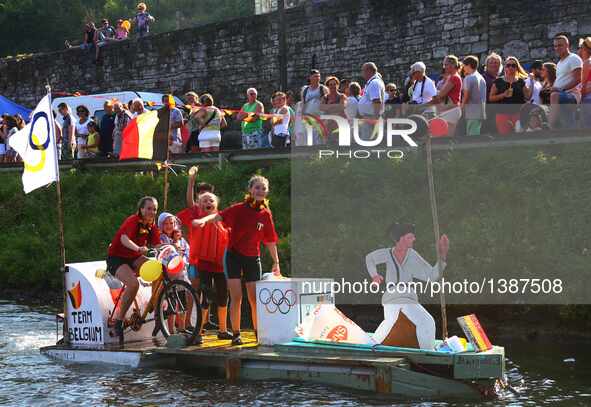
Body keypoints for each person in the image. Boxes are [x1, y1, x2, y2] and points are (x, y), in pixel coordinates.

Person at [194, 175, 280, 346]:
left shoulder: (265, 214)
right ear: (250, 189)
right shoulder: (239, 208)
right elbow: (217, 217)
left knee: (254, 299)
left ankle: (258, 333)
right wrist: (202, 220)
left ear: (267, 192)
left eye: (263, 188)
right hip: (233, 255)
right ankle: (236, 333)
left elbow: (270, 240)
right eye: (257, 187)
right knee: (237, 297)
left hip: (252, 257)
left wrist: (276, 261)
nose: (260, 191)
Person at [366, 223, 449, 350]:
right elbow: (370, 258)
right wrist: (374, 275)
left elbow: (431, 276)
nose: (414, 239)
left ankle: (370, 344)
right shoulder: (387, 253)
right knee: (426, 321)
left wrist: (442, 255)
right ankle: (428, 353)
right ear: (401, 239)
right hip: (394, 295)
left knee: (389, 322)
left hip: (405, 296)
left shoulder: (412, 255)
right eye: (410, 237)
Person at [107, 196, 160, 343]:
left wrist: (172, 249)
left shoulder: (152, 225)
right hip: (117, 258)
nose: (152, 212)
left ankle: (155, 304)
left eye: (154, 209)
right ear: (141, 209)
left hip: (134, 258)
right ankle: (119, 320)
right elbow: (124, 238)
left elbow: (157, 245)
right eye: (149, 208)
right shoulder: (133, 220)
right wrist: (138, 248)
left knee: (158, 270)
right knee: (133, 284)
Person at [189, 192, 232, 340]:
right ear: (200, 205)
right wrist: (191, 181)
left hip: (220, 264)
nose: (208, 202)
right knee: (205, 298)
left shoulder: (222, 219)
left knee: (223, 296)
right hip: (204, 263)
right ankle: (199, 331)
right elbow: (191, 205)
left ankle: (223, 330)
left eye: (211, 200)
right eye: (204, 201)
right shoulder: (198, 219)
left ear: (216, 204)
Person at [157, 212, 191, 335]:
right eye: (165, 223)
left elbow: (187, 252)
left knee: (183, 302)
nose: (169, 226)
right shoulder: (161, 238)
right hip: (168, 274)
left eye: (171, 223)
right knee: (172, 304)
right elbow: (160, 251)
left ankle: (181, 327)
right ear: (161, 225)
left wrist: (184, 261)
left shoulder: (181, 239)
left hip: (181, 273)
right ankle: (171, 330)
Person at [489, 56, 532, 135]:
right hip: (502, 114)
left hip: (518, 113)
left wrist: (532, 82)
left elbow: (528, 96)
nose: (510, 67)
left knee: (519, 135)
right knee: (505, 137)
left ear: (517, 68)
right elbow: (491, 98)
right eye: (508, 65)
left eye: (513, 65)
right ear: (505, 67)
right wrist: (503, 95)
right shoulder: (498, 81)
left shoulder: (520, 81)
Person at [549, 35, 583, 129]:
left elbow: (578, 78)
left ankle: (550, 126)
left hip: (572, 95)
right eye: (555, 46)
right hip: (563, 94)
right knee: (568, 124)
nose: (557, 48)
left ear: (567, 45)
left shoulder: (573, 58)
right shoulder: (560, 62)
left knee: (554, 96)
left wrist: (560, 89)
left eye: (560, 45)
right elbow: (561, 79)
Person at [431, 55, 463, 136]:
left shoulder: (454, 78)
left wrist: (435, 93)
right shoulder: (452, 77)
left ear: (452, 65)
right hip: (450, 111)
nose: (444, 67)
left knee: (443, 138)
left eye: (445, 64)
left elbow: (441, 95)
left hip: (451, 111)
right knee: (445, 138)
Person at [357, 62, 385, 141]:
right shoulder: (372, 82)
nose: (362, 73)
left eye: (363, 71)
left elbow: (376, 101)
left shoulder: (374, 83)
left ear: (369, 71)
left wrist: (374, 118)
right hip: (368, 117)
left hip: (371, 117)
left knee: (368, 142)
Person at [300, 70, 329, 145]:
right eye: (315, 76)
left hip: (320, 118)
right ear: (310, 77)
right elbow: (303, 103)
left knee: (319, 140)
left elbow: (328, 104)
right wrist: (302, 116)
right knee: (309, 139)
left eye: (318, 76)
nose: (318, 78)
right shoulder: (305, 90)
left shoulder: (323, 89)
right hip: (308, 119)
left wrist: (326, 118)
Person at [461, 55, 487, 136]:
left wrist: (461, 108)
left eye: (464, 66)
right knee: (476, 133)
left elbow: (466, 96)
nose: (463, 68)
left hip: (472, 111)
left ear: (468, 65)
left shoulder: (468, 78)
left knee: (472, 137)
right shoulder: (482, 78)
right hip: (481, 111)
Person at [578, 37, 591, 128]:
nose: (579, 50)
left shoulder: (587, 63)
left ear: (585, 49)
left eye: (580, 47)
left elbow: (583, 85)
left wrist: (580, 100)